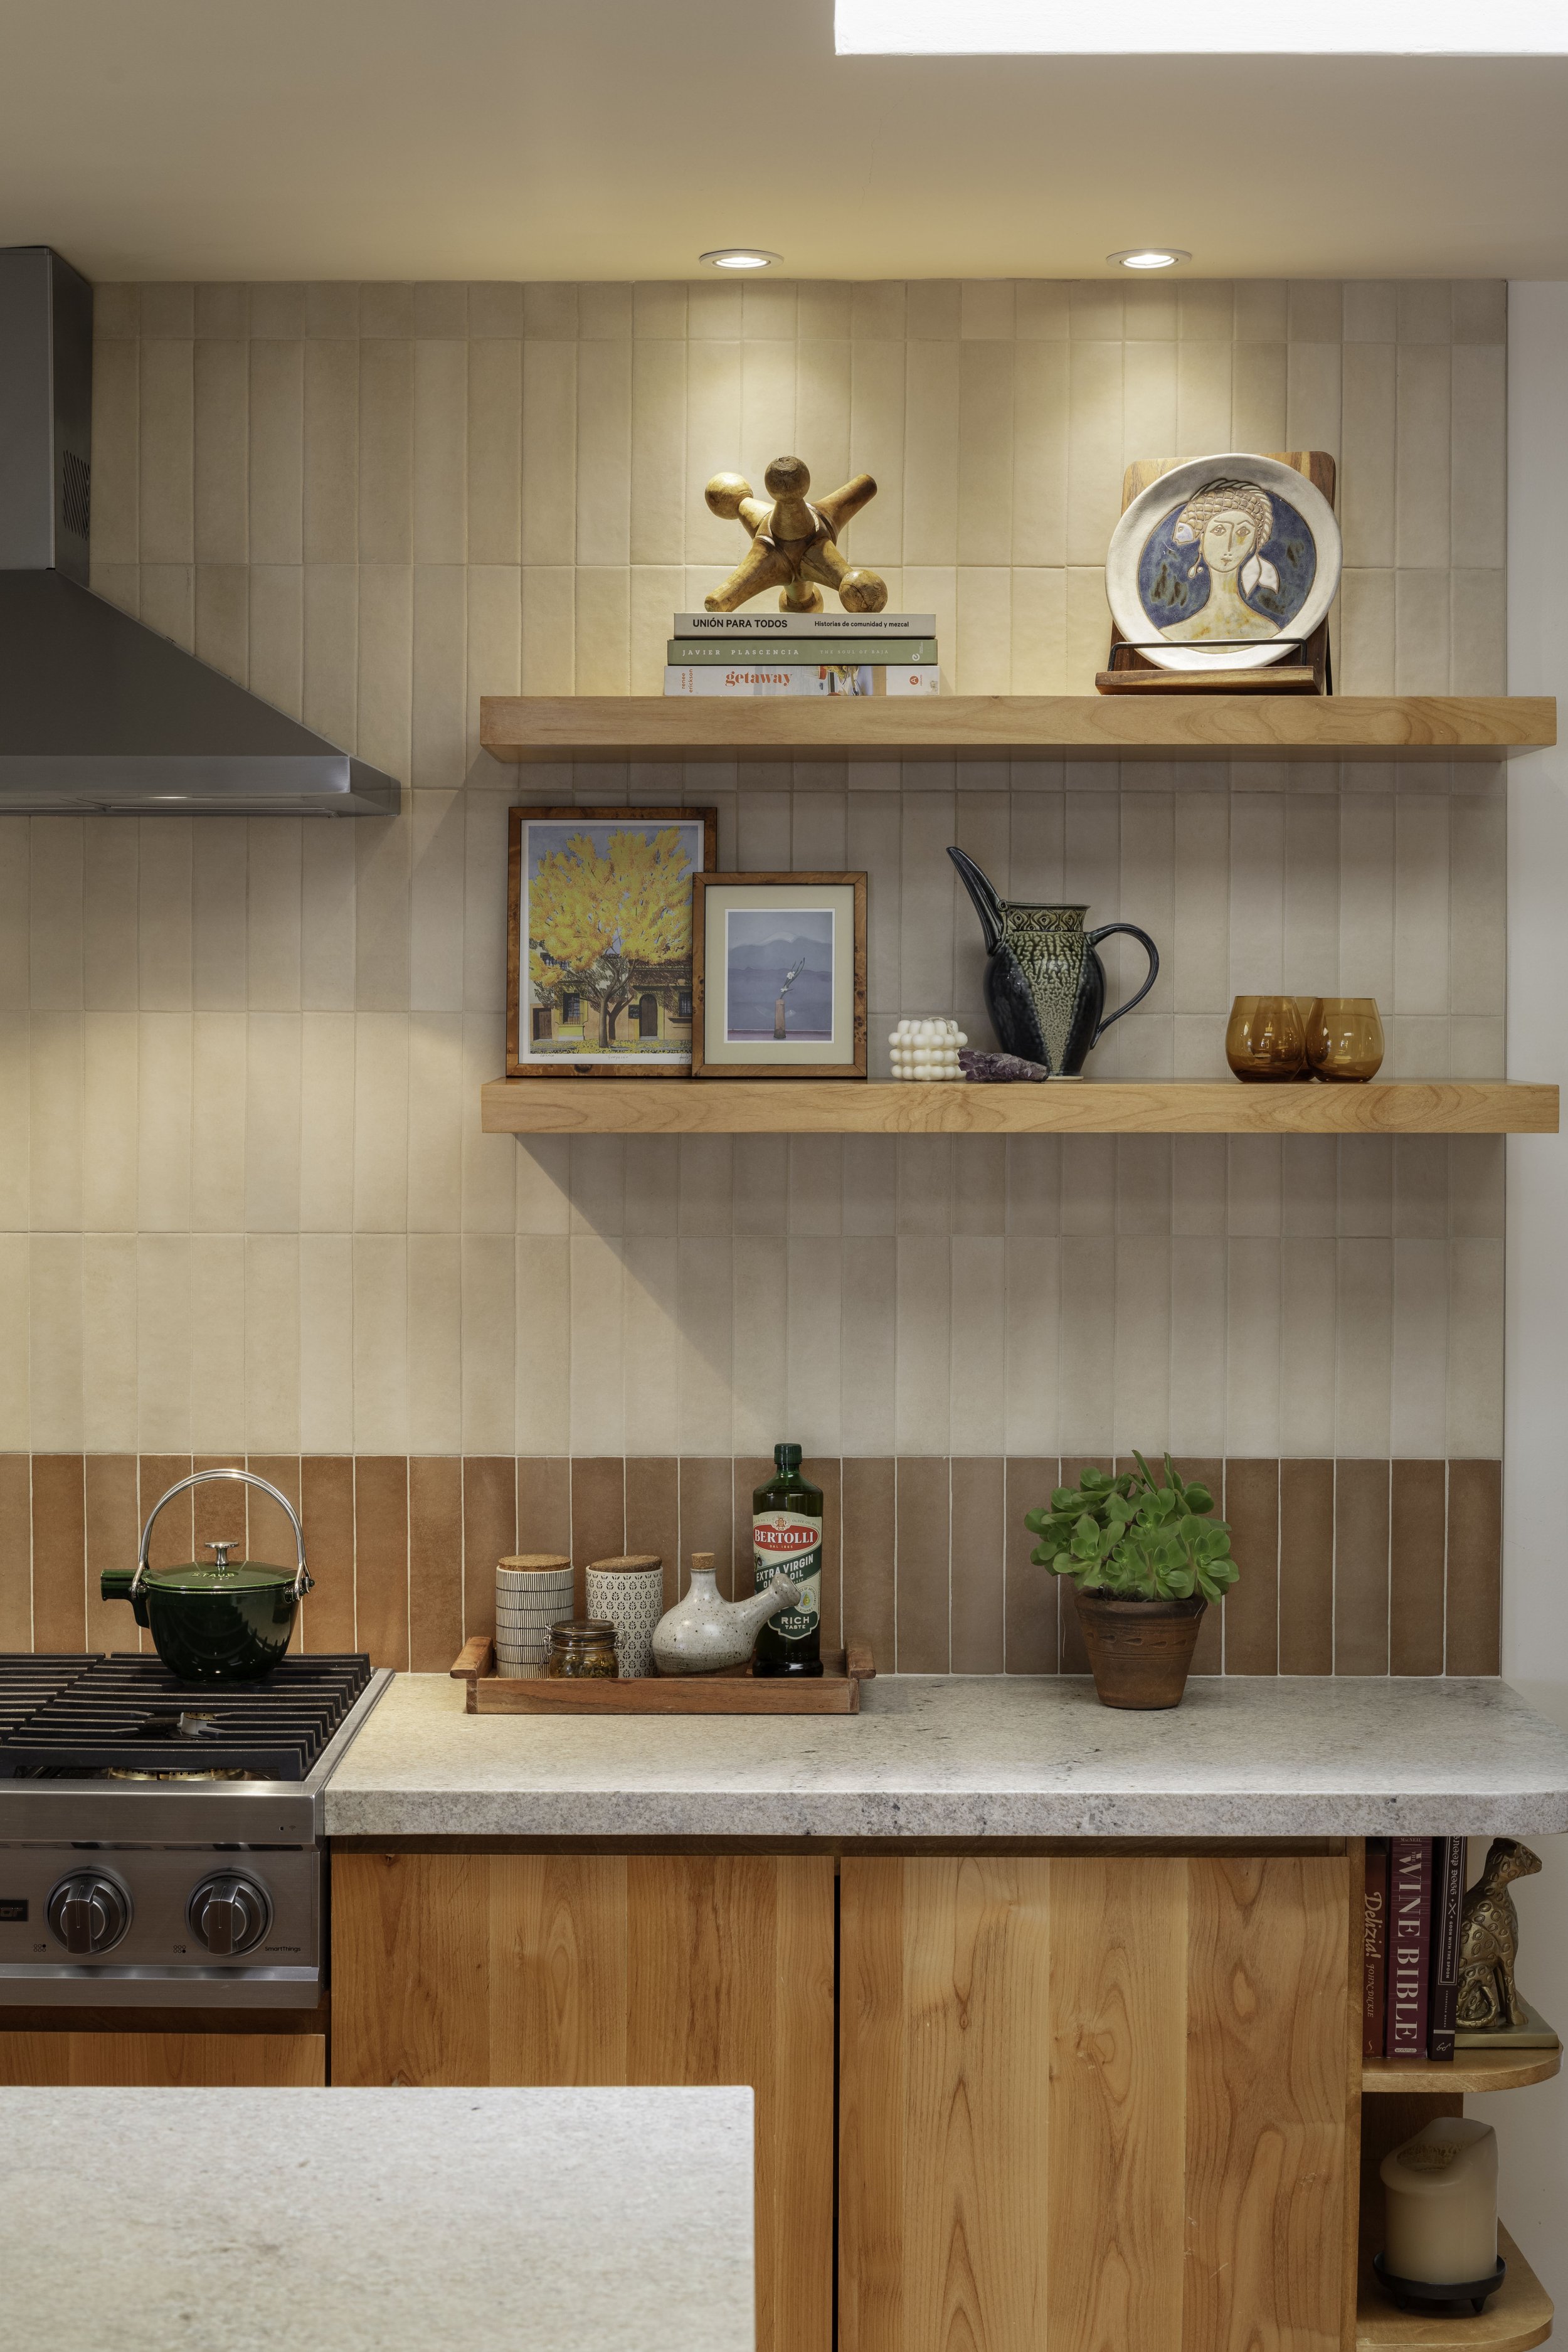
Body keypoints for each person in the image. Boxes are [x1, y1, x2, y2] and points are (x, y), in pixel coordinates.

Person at [1156, 477, 1281, 643]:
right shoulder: (1169, 636)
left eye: (1243, 532)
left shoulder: (1270, 632)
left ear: (1253, 545)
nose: (1230, 545)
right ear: (1202, 541)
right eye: (1219, 530)